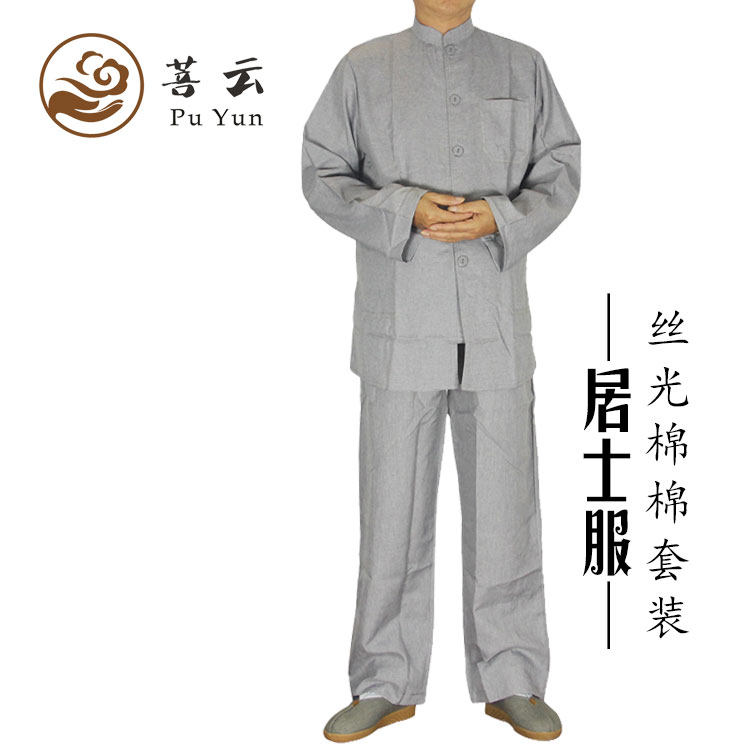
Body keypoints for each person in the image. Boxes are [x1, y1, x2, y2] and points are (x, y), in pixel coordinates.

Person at [301, 0, 581, 742]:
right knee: (391, 506)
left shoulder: (523, 66)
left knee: (507, 506)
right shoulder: (363, 68)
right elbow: (322, 173)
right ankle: (383, 681)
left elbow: (559, 169)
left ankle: (512, 677)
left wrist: (503, 218)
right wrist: (404, 209)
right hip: (400, 321)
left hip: (494, 319)